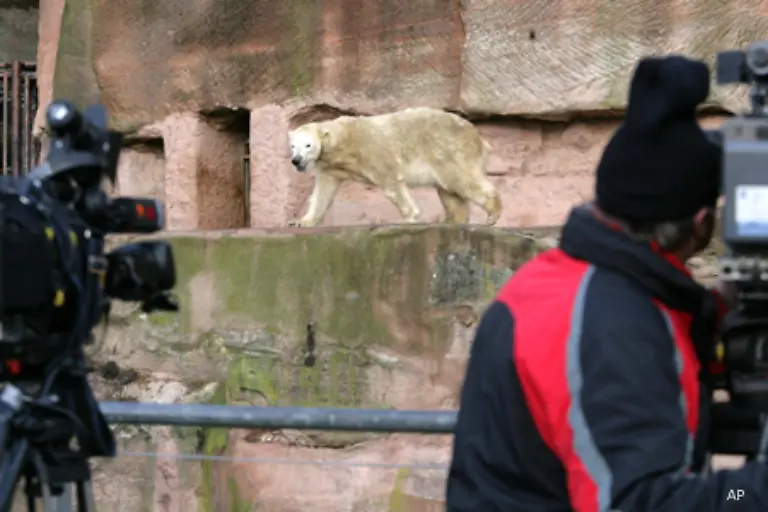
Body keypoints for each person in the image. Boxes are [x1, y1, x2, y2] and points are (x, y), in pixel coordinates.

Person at [445, 55, 768, 511]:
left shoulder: (570, 284)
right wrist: (753, 489)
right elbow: (643, 502)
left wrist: (717, 316)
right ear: (700, 223)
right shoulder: (613, 328)